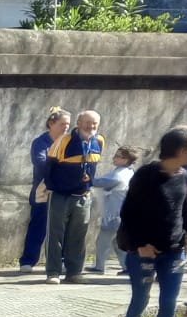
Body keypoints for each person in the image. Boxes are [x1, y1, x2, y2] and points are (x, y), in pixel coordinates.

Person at [114, 126, 187, 317]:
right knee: (140, 299)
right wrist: (139, 245)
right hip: (144, 251)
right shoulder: (146, 175)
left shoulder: (185, 177)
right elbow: (128, 213)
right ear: (182, 150)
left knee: (169, 301)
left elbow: (186, 211)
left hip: (174, 251)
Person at [45, 109, 104, 284]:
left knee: (78, 235)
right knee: (55, 235)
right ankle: (53, 272)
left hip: (83, 195)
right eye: (88, 123)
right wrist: (53, 188)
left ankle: (74, 272)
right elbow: (49, 167)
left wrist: (88, 183)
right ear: (78, 123)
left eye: (94, 124)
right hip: (61, 195)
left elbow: (93, 166)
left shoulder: (99, 141)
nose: (91, 126)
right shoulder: (64, 141)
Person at [22, 108, 72, 273]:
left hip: (64, 190)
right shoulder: (40, 142)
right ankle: (28, 261)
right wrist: (63, 167)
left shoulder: (70, 142)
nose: (66, 128)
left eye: (68, 125)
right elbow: (41, 162)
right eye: (62, 124)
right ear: (51, 124)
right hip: (42, 190)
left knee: (62, 227)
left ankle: (62, 260)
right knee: (38, 225)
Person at [90, 147, 139, 275]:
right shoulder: (129, 172)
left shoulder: (119, 175)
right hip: (120, 214)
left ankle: (99, 267)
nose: (114, 158)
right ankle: (127, 267)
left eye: (117, 156)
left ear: (125, 159)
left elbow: (101, 182)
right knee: (118, 243)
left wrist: (87, 179)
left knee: (103, 242)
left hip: (113, 214)